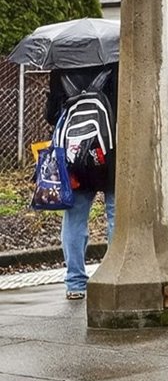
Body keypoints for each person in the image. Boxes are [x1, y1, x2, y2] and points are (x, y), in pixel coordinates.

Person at [47, 63, 118, 300]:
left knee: (74, 219)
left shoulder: (61, 70)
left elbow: (51, 116)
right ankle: (115, 274)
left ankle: (75, 283)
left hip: (74, 158)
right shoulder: (114, 66)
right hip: (109, 154)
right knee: (115, 216)